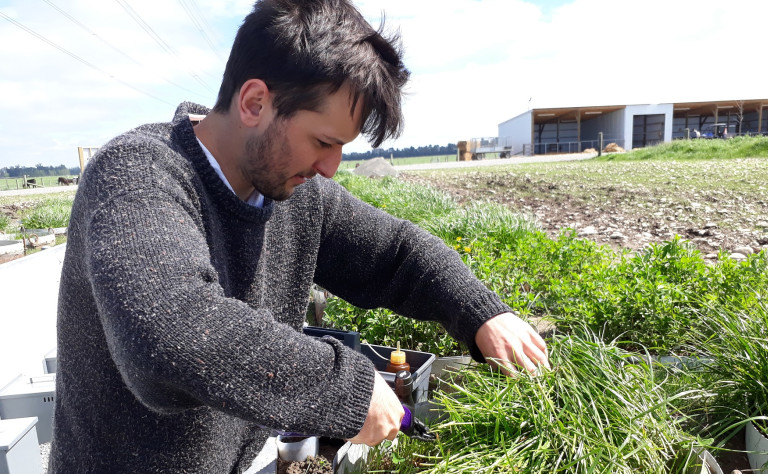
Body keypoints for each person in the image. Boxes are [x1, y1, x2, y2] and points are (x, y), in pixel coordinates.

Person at [49, 0, 549, 471]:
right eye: (323, 142)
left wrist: (484, 314)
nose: (331, 168)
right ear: (254, 102)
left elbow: (397, 255)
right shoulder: (137, 174)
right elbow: (168, 339)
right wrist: (347, 392)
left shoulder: (295, 196)